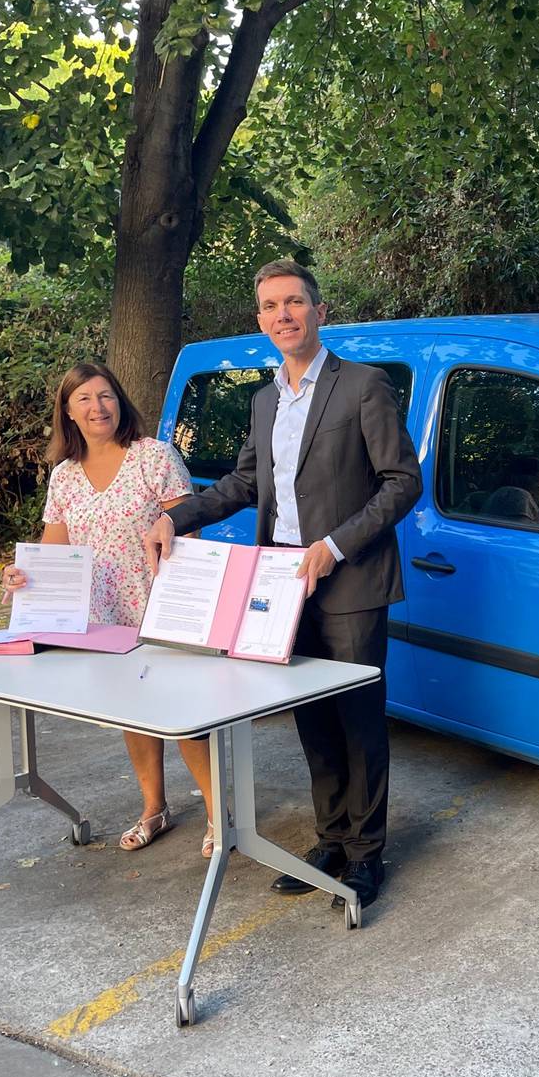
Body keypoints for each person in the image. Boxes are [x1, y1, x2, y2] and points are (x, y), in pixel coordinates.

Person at [142, 260, 421, 911]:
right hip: (281, 590)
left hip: (349, 581)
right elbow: (245, 483)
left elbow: (403, 481)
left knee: (357, 722)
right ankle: (330, 840)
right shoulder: (265, 399)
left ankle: (366, 854)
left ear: (319, 312)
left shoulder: (362, 386)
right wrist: (173, 517)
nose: (283, 314)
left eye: (294, 301)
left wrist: (334, 545)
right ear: (261, 319)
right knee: (312, 720)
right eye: (270, 306)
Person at [2, 363, 221, 857]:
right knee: (135, 714)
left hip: (162, 610)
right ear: (68, 412)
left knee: (183, 716)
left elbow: (190, 529)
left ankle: (217, 814)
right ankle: (154, 808)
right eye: (84, 399)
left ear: (119, 402)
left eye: (105, 396)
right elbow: (53, 553)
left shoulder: (153, 458)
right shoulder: (64, 477)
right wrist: (19, 575)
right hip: (103, 621)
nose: (97, 407)